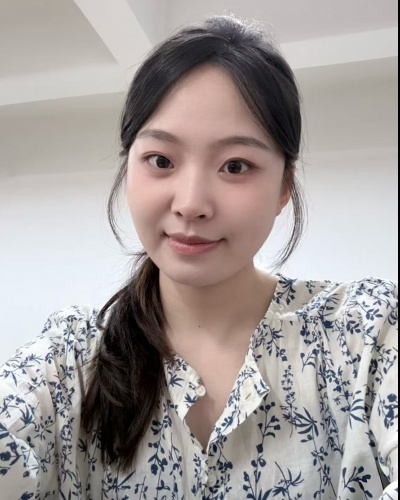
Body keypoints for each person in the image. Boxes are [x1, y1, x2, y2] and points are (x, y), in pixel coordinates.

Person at [0, 15, 397, 500]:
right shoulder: (69, 361)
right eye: (161, 160)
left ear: (284, 188)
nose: (190, 204)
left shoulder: (365, 335)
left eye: (236, 166)